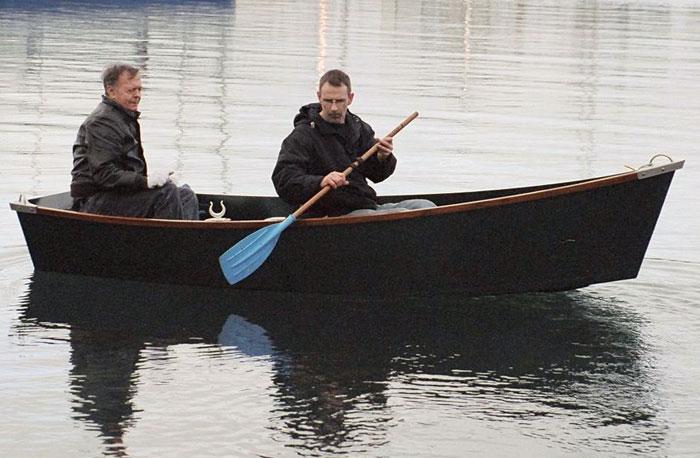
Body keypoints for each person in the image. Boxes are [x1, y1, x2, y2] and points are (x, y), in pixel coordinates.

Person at [272, 69, 435, 217]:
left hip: (366, 204)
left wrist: (382, 157)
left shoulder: (358, 128)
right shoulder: (302, 135)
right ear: (319, 97)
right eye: (328, 101)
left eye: (339, 101)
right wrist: (320, 181)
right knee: (402, 215)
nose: (334, 108)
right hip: (331, 213)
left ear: (350, 98)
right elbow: (284, 181)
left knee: (425, 206)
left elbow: (377, 176)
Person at [70, 63, 199, 220]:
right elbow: (105, 174)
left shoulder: (124, 117)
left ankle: (187, 233)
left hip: (118, 194)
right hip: (95, 199)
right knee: (167, 193)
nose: (137, 95)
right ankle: (170, 235)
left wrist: (155, 181)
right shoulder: (102, 122)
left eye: (139, 89)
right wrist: (145, 182)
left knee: (185, 195)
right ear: (111, 92)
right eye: (130, 90)